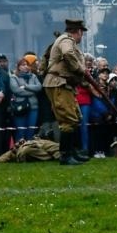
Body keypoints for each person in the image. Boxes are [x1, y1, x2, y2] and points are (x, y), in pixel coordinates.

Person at [42, 18, 90, 166]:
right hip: (58, 83)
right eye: (82, 33)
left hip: (65, 83)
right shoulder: (66, 40)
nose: (82, 36)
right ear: (79, 31)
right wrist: (80, 69)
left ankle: (72, 152)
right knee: (68, 120)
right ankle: (65, 155)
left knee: (74, 117)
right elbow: (68, 54)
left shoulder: (67, 40)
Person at [9, 56, 43, 143]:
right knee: (21, 131)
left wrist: (26, 87)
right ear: (19, 67)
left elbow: (39, 87)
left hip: (33, 107)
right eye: (23, 65)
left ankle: (29, 151)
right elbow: (16, 90)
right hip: (20, 107)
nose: (26, 66)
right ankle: (19, 151)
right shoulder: (14, 77)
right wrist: (32, 91)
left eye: (27, 65)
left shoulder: (33, 76)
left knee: (31, 131)